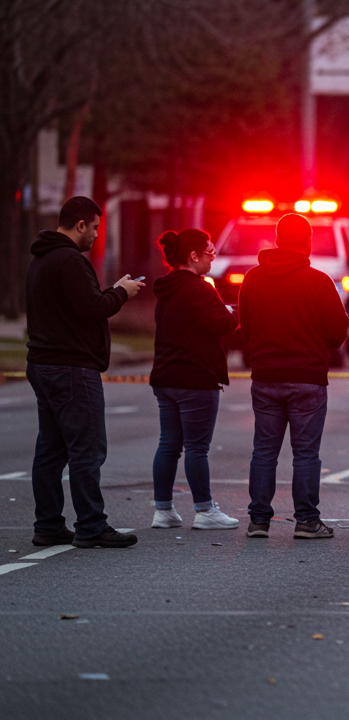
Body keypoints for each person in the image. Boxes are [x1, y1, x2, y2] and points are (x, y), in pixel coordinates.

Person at [26, 196, 144, 548]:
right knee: (87, 450)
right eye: (94, 226)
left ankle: (47, 525)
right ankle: (92, 526)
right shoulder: (70, 261)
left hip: (43, 362)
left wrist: (111, 290)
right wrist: (121, 293)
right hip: (72, 367)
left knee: (51, 449)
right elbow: (92, 308)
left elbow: (75, 306)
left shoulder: (41, 258)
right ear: (80, 224)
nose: (95, 234)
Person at [238, 214, 348, 540]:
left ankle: (258, 520)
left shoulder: (253, 279)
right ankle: (307, 521)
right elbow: (338, 331)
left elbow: (245, 324)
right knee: (305, 454)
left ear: (276, 239)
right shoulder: (318, 281)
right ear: (308, 243)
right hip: (307, 378)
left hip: (266, 376)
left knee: (264, 451)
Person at [149, 229, 241, 530]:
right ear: (193, 256)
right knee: (197, 448)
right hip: (195, 378)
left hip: (166, 377)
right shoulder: (199, 288)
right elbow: (218, 324)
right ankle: (204, 510)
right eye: (210, 253)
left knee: (168, 445)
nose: (212, 257)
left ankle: (163, 511)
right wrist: (234, 313)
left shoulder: (167, 289)